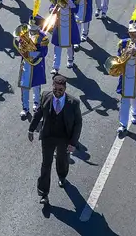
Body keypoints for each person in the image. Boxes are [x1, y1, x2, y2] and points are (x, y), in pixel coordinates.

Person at [27, 75, 82, 206]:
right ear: (52, 87)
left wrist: (73, 143)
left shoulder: (73, 103)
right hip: (48, 136)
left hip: (64, 137)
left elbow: (78, 124)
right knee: (46, 164)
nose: (57, 93)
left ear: (65, 89)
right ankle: (43, 193)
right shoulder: (45, 96)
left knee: (62, 160)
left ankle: (62, 176)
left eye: (60, 90)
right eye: (55, 89)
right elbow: (38, 113)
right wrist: (31, 129)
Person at [115, 22, 136, 137]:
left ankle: (135, 113)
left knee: (135, 97)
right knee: (124, 100)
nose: (133, 36)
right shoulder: (123, 43)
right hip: (125, 76)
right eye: (131, 33)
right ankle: (123, 125)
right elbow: (118, 58)